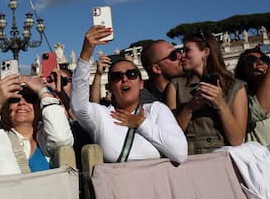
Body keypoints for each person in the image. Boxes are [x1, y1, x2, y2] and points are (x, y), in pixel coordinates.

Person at [70, 26, 187, 163]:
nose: (124, 79)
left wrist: (141, 123)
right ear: (110, 88)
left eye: (131, 74)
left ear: (141, 84)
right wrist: (86, 53)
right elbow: (78, 106)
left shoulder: (157, 110)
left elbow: (180, 153)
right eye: (116, 76)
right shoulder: (102, 116)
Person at [0, 74, 74, 176]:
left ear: (40, 106)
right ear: (7, 106)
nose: (22, 102)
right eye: (14, 99)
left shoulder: (47, 137)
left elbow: (62, 140)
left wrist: (42, 91)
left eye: (30, 98)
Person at [165, 30, 248, 154]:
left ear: (206, 52)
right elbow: (170, 137)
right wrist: (190, 108)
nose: (182, 55)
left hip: (225, 160)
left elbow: (237, 140)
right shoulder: (175, 86)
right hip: (191, 160)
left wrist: (221, 104)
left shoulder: (236, 87)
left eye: (187, 50)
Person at [234, 42, 270, 146]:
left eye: (265, 60)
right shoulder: (241, 103)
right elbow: (260, 109)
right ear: (242, 70)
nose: (260, 62)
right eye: (251, 59)